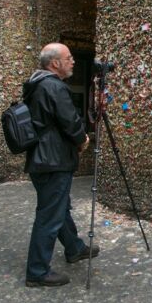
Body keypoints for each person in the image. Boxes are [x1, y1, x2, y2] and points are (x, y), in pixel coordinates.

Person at [23, 42, 99, 287]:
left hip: (42, 159)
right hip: (53, 161)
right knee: (49, 215)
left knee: (58, 207)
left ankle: (74, 248)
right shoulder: (54, 86)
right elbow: (70, 122)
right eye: (69, 58)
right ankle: (37, 271)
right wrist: (83, 140)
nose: (73, 61)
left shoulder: (36, 84)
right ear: (55, 63)